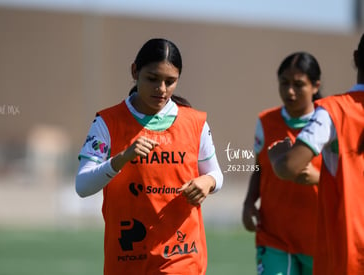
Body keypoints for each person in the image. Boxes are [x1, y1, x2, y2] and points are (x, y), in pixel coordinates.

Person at [75, 38, 223, 275]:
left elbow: (215, 173)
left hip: (182, 256)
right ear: (135, 71)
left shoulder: (195, 122)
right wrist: (121, 158)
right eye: (152, 79)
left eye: (170, 81)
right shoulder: (107, 122)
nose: (161, 89)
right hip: (126, 257)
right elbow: (82, 186)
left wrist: (208, 182)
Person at [268, 34, 364, 275]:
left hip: (348, 248)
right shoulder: (267, 119)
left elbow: (289, 167)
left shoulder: (334, 110)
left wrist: (278, 155)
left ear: (355, 58)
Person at [242, 52, 323, 275]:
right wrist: (249, 202)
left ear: (315, 86)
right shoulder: (266, 121)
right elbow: (259, 168)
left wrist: (319, 178)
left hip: (320, 239)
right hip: (274, 237)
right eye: (284, 83)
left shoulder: (329, 123)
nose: (290, 91)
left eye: (298, 85)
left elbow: (350, 177)